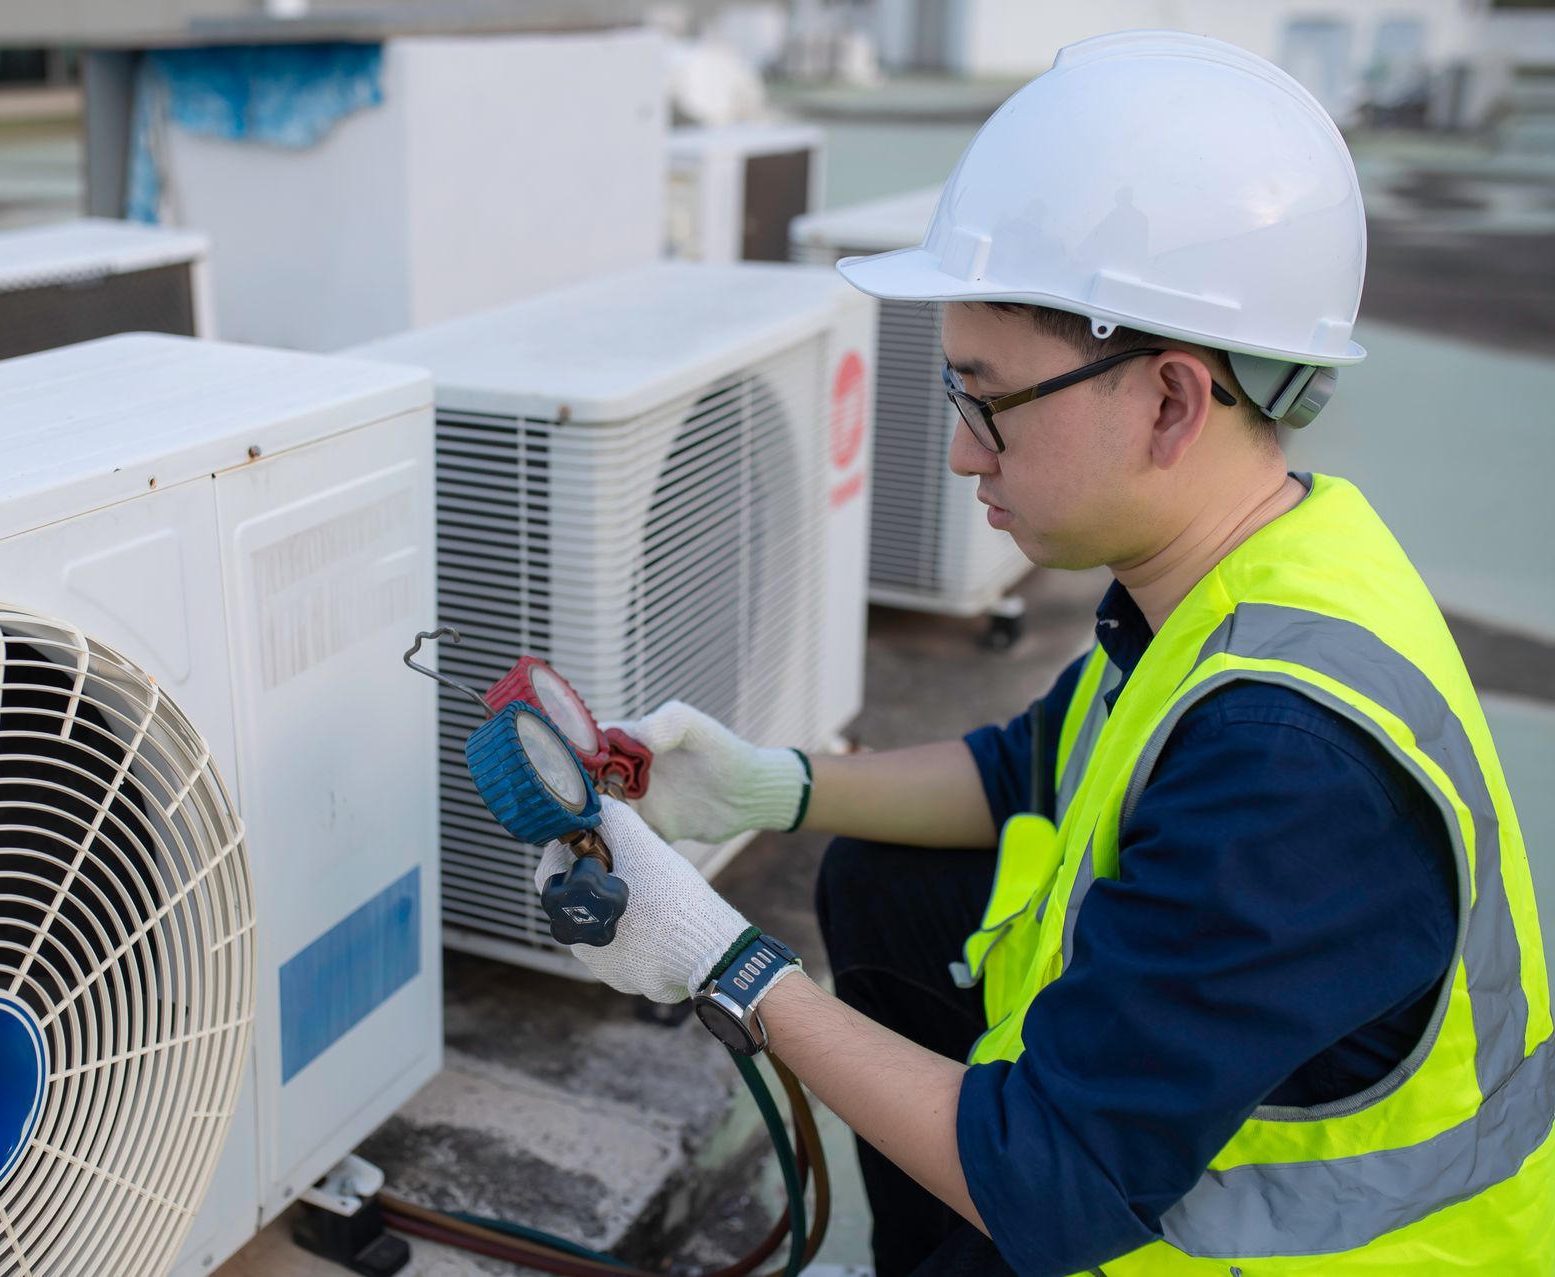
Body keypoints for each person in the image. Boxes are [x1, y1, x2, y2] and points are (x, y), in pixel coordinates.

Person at [533, 30, 1554, 1276]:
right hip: (1168, 1162)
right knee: (886, 880)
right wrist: (769, 784)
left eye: (988, 397)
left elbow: (1056, 1172)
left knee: (1009, 1156)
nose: (963, 451)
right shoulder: (1245, 570)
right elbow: (1032, 765)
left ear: (1174, 400)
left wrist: (723, 958)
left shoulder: (1290, 761)